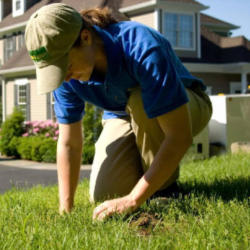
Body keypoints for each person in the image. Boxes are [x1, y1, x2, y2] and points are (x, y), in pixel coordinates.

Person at [25, 3, 212, 221]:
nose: (63, 78)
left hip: (186, 105)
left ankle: (166, 190)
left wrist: (133, 199)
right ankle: (151, 177)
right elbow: (69, 144)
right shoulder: (65, 77)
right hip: (124, 113)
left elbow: (179, 136)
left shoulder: (140, 45)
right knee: (105, 194)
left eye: (65, 67)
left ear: (86, 37)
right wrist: (66, 208)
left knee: (140, 99)